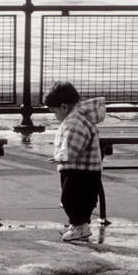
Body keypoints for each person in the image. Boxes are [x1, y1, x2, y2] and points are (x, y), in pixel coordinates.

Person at [46, 81, 107, 242]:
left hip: (79, 169)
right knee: (82, 199)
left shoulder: (74, 121)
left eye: (54, 112)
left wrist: (62, 157)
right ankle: (79, 226)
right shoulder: (79, 117)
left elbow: (74, 143)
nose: (55, 116)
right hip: (86, 168)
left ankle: (79, 226)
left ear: (64, 107)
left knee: (70, 199)